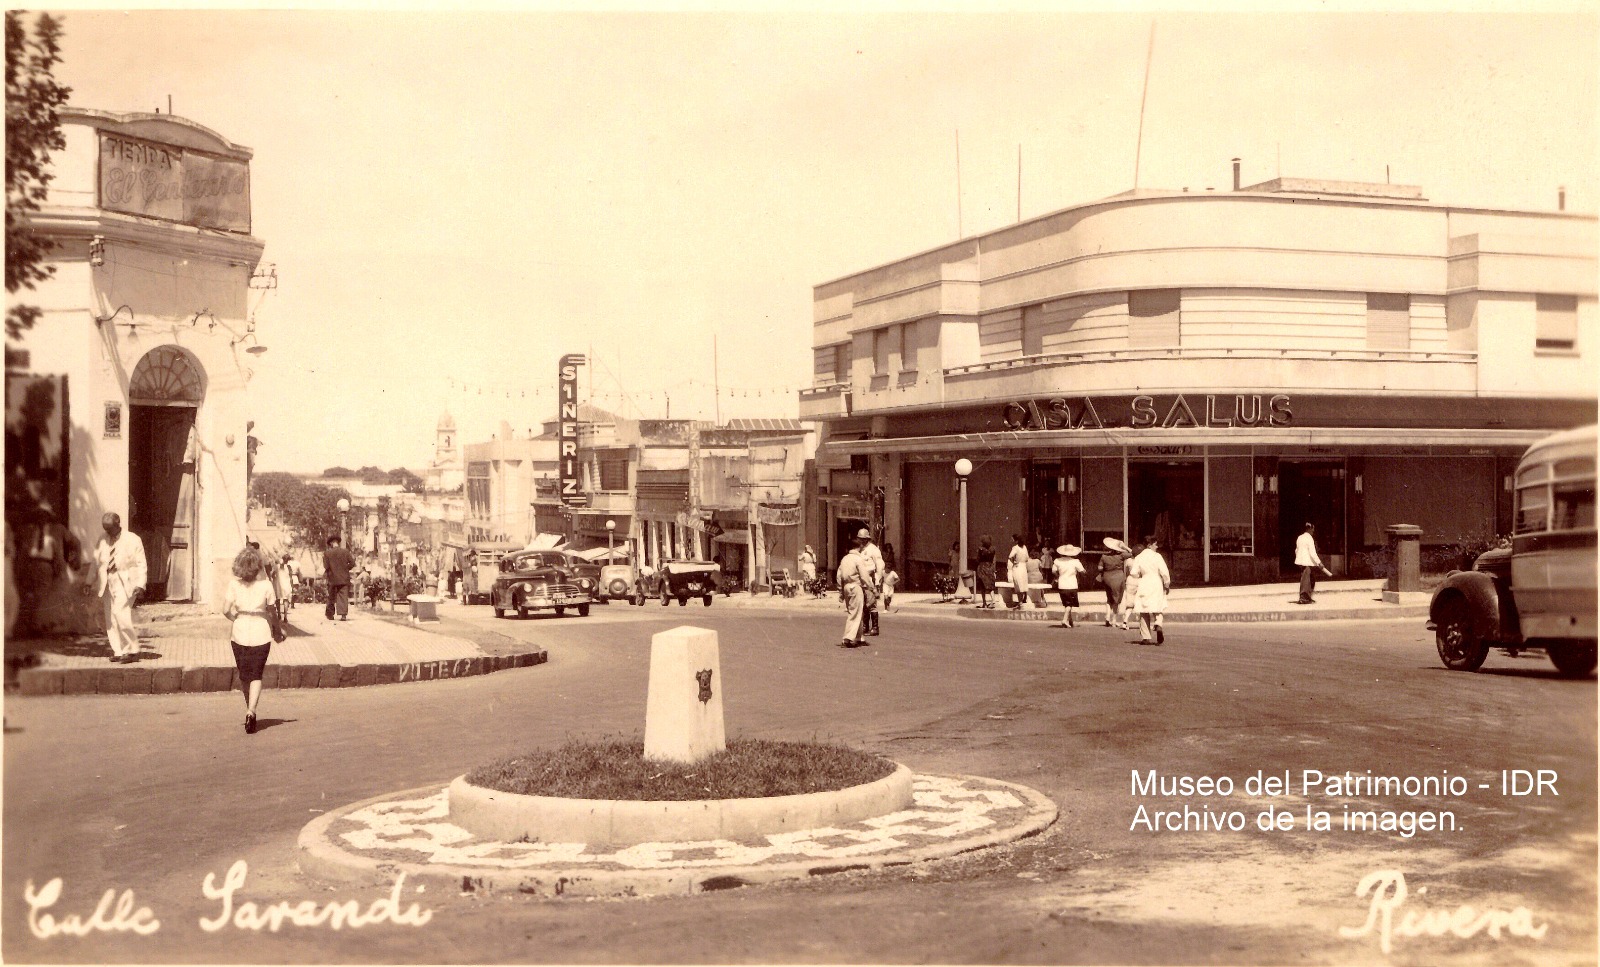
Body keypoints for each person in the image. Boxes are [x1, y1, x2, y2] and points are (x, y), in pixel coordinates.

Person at [224, 544, 283, 734]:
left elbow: (225, 610)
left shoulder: (233, 584)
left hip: (239, 631)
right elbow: (273, 611)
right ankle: (251, 711)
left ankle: (248, 706)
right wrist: (277, 631)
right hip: (261, 631)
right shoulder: (266, 585)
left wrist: (237, 618)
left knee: (244, 675)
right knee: (257, 674)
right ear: (257, 566)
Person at [94, 513, 147, 664]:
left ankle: (132, 649)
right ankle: (118, 650)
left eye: (110, 529)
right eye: (105, 529)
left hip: (126, 582)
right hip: (107, 580)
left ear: (118, 524)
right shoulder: (103, 538)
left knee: (120, 613)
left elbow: (141, 563)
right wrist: (88, 581)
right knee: (110, 618)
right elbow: (95, 560)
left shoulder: (133, 539)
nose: (107, 532)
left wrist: (140, 584)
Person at [1129, 535, 1172, 645]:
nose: (1157, 546)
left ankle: (1146, 637)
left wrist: (1140, 575)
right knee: (1158, 606)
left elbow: (1133, 573)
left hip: (1144, 582)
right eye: (1155, 544)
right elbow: (1164, 572)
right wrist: (1167, 584)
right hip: (1156, 582)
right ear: (1149, 545)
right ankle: (1158, 623)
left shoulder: (1139, 557)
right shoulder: (1157, 556)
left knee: (1143, 609)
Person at [836, 533, 874, 648]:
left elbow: (839, 575)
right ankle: (847, 638)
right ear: (859, 547)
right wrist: (871, 587)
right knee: (855, 613)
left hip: (846, 587)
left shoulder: (844, 559)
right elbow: (864, 576)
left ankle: (859, 638)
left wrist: (841, 591)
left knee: (857, 612)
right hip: (856, 587)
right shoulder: (858, 559)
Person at [1295, 522, 1333, 604]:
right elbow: (1312, 553)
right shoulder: (1309, 538)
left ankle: (1308, 597)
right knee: (1306, 580)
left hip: (1301, 562)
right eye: (1313, 529)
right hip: (1306, 562)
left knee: (1311, 579)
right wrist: (1319, 563)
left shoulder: (1300, 537)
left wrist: (1298, 559)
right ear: (1309, 529)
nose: (1313, 531)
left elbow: (1296, 550)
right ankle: (1304, 598)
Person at [1097, 538, 1130, 629]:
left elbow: (1100, 568)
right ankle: (1114, 620)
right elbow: (1133, 553)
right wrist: (1125, 547)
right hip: (1118, 577)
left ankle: (1107, 616)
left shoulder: (1104, 556)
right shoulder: (1121, 556)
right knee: (1116, 599)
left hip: (1107, 577)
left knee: (1109, 598)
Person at [1052, 544, 1087, 628]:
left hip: (1062, 584)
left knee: (1067, 603)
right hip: (1072, 584)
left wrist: (1058, 576)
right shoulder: (1075, 562)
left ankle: (1070, 621)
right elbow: (1083, 571)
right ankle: (1064, 620)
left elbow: (1053, 571)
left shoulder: (1057, 561)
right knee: (1069, 604)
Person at [322, 534, 355, 621]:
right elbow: (352, 563)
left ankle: (330, 615)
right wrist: (345, 569)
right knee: (343, 596)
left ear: (331, 543)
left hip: (332, 578)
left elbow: (326, 566)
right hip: (344, 577)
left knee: (331, 596)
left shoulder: (327, 553)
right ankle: (343, 615)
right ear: (337, 542)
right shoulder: (345, 552)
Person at [859, 529, 885, 635]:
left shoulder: (874, 550)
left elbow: (879, 566)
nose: (861, 540)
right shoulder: (861, 549)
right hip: (862, 581)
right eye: (860, 539)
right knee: (864, 604)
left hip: (870, 580)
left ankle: (875, 628)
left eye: (863, 539)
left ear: (867, 539)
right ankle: (865, 626)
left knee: (871, 604)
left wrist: (878, 582)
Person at [1119, 539, 1143, 631]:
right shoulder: (1141, 561)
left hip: (1130, 581)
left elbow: (1126, 573)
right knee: (1141, 602)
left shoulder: (1128, 561)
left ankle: (1125, 622)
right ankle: (1143, 623)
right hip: (1139, 581)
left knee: (1130, 603)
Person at [1006, 534, 1030, 610]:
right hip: (1023, 566)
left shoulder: (1015, 548)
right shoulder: (1025, 547)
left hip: (1018, 566)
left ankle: (1020, 602)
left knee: (1018, 584)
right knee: (1023, 584)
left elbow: (1010, 556)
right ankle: (1023, 600)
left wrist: (1014, 562)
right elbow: (1027, 558)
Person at [975, 536, 997, 609]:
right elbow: (994, 559)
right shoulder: (993, 549)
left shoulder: (980, 549)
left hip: (982, 567)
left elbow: (977, 559)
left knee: (982, 586)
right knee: (990, 586)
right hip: (990, 567)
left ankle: (984, 602)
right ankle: (993, 600)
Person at [274, 552, 296, 624]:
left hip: (278, 584)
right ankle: (285, 616)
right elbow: (291, 578)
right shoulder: (289, 567)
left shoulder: (277, 566)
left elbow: (272, 574)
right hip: (287, 584)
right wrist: (292, 587)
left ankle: (279, 614)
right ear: (288, 560)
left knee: (278, 599)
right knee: (286, 600)